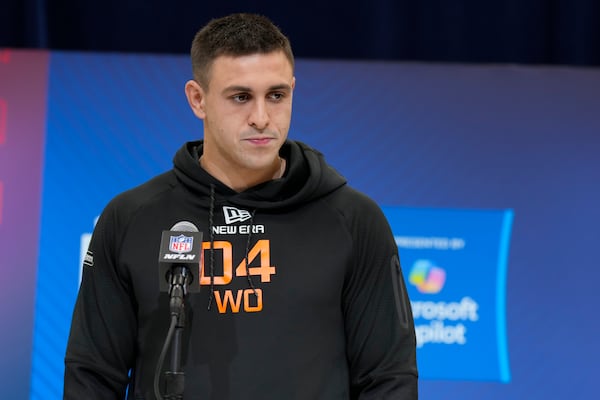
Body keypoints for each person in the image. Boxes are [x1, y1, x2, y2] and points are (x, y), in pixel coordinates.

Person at [64, 12, 418, 399]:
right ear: (197, 99)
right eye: (241, 97)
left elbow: (389, 378)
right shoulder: (131, 218)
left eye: (277, 95)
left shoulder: (354, 221)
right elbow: (92, 377)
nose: (262, 118)